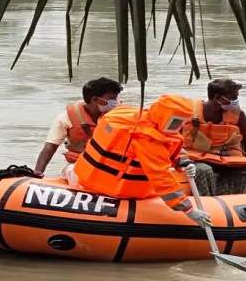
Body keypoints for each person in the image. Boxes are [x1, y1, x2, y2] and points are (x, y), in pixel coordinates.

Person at [73, 94, 211, 227]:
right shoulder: (147, 140)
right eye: (175, 122)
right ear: (164, 117)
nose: (178, 127)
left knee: (70, 170)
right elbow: (161, 177)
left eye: (182, 123)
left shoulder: (130, 113)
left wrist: (182, 161)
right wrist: (188, 210)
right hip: (114, 190)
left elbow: (169, 146)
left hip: (90, 176)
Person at [34, 77, 123, 182]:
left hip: (111, 166)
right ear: (95, 99)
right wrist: (37, 173)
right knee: (75, 173)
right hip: (78, 164)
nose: (116, 102)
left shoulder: (120, 116)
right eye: (112, 98)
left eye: (116, 97)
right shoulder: (66, 118)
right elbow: (50, 147)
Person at [181, 79, 246, 196]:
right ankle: (206, 201)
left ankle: (231, 202)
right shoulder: (189, 113)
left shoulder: (239, 115)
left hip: (226, 159)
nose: (235, 102)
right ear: (218, 98)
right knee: (204, 170)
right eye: (232, 98)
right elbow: (174, 139)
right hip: (196, 159)